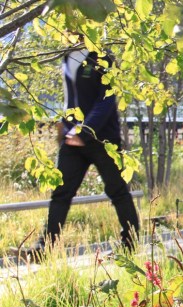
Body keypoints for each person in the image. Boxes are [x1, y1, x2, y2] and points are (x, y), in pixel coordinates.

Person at [26, 44, 140, 259]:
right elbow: (71, 98)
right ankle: (45, 249)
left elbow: (106, 100)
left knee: (117, 191)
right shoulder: (66, 55)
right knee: (61, 193)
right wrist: (65, 127)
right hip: (71, 139)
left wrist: (84, 130)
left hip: (102, 138)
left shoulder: (102, 57)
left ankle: (129, 246)